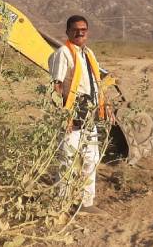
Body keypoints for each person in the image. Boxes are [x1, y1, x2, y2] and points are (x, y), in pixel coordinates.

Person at [48, 15, 107, 215]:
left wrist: (105, 107)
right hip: (71, 115)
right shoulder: (63, 53)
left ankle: (85, 202)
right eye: (75, 29)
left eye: (83, 29)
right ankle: (62, 204)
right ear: (67, 32)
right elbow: (56, 86)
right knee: (68, 159)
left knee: (91, 157)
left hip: (89, 114)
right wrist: (63, 115)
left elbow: (95, 84)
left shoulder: (88, 53)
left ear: (87, 32)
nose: (80, 32)